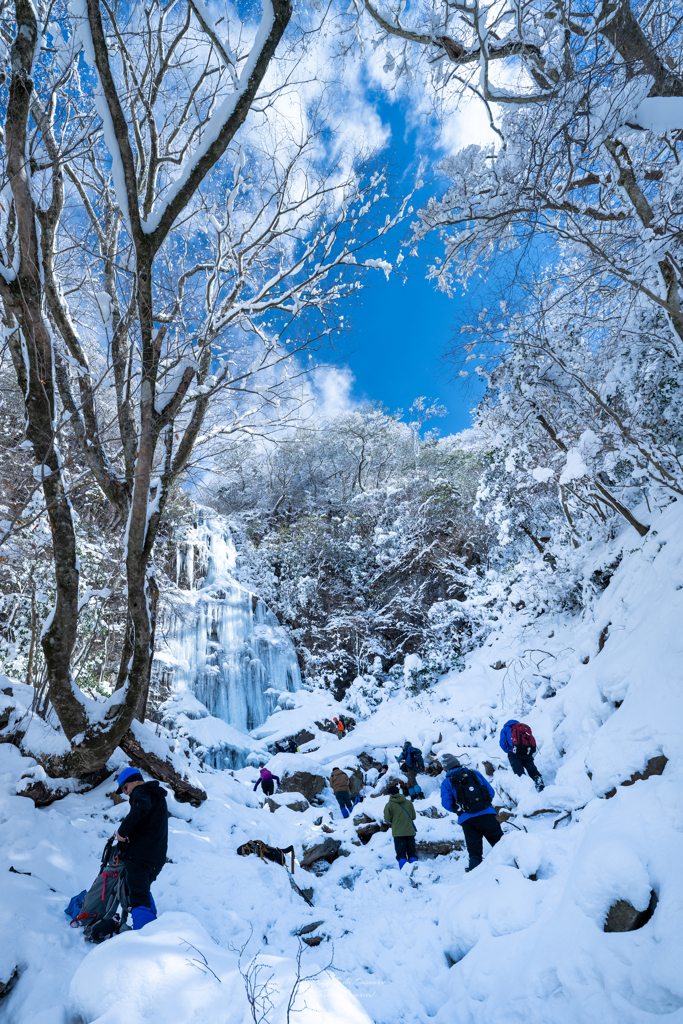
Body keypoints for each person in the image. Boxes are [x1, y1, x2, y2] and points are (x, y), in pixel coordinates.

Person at [115, 767, 168, 930]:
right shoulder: (156, 795)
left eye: (125, 787)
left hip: (140, 857)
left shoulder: (141, 791)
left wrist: (122, 833)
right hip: (156, 858)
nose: (125, 793)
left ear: (135, 780)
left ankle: (145, 940)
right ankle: (153, 928)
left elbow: (140, 809)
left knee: (138, 898)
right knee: (143, 891)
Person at [440, 754, 503, 872]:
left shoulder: (447, 782)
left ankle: (474, 880)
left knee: (474, 853)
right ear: (458, 763)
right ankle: (512, 869)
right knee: (500, 844)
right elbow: (491, 792)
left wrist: (460, 810)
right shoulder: (474, 774)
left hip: (468, 820)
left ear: (446, 769)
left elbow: (447, 804)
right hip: (487, 814)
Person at [499, 720, 544, 791]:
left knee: (519, 772)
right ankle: (538, 782)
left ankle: (526, 790)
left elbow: (502, 743)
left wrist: (509, 750)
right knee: (532, 769)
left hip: (514, 753)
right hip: (527, 752)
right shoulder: (523, 727)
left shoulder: (505, 729)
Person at [383, 784, 418, 869]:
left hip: (398, 833)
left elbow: (387, 819)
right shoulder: (409, 803)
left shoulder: (389, 805)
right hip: (410, 832)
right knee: (412, 854)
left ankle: (404, 871)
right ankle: (416, 870)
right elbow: (413, 817)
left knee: (401, 855)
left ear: (390, 794)